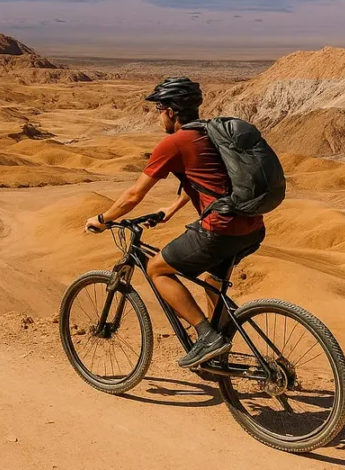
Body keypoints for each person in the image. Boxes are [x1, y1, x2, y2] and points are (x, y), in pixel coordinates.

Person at [84, 76, 266, 368]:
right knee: (212, 282)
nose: (158, 116)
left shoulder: (174, 143)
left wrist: (103, 219)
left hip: (220, 228)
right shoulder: (211, 133)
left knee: (157, 268)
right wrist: (172, 207)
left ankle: (208, 338)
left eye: (158, 109)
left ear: (170, 111)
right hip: (252, 226)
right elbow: (209, 180)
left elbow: (133, 195)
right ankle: (219, 357)